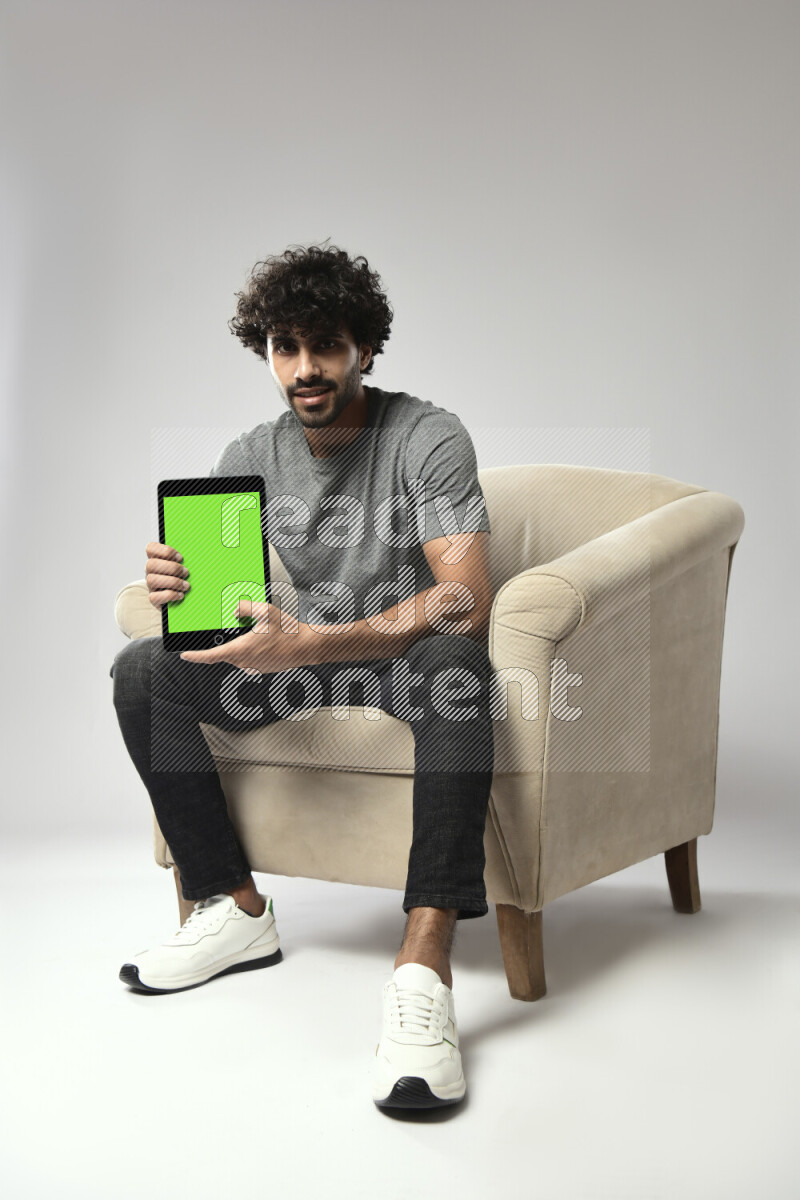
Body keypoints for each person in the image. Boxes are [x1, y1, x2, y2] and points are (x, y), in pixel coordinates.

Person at [110, 242, 495, 1111]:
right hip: (304, 671)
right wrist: (183, 595)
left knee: (456, 662)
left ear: (364, 347)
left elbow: (464, 596)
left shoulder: (426, 436)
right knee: (144, 671)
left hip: (399, 665)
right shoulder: (252, 450)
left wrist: (316, 642)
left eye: (325, 344)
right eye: (286, 346)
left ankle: (424, 967)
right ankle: (233, 908)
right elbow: (224, 608)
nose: (306, 368)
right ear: (268, 351)